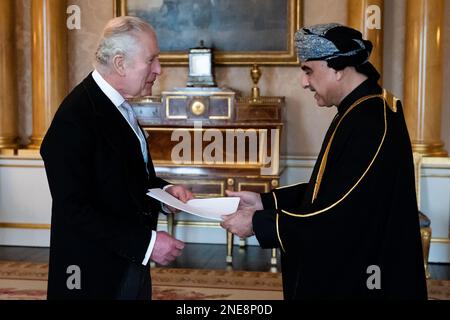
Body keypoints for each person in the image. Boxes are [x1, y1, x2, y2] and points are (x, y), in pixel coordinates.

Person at [221, 23, 427, 300]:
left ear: (338, 68)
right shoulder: (360, 108)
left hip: (365, 275)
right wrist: (267, 202)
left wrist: (260, 223)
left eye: (308, 70)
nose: (304, 82)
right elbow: (332, 187)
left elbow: (342, 210)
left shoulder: (370, 120)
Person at [41, 16, 193, 300]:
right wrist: (147, 245)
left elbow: (124, 178)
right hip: (93, 275)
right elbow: (74, 209)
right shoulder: (75, 117)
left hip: (127, 263)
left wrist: (165, 192)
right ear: (121, 63)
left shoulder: (117, 105)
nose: (159, 69)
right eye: (152, 60)